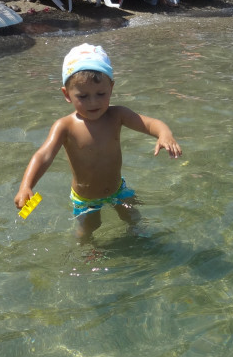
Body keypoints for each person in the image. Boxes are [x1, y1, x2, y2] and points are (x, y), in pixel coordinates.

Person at [14, 44, 182, 240]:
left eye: (101, 94)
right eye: (83, 96)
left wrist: (164, 134)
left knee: (133, 217)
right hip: (86, 198)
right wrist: (26, 186)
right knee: (88, 228)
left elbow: (151, 124)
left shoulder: (117, 115)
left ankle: (139, 238)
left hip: (117, 189)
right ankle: (88, 249)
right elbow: (43, 155)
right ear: (67, 94)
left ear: (111, 87)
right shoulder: (65, 126)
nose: (93, 102)